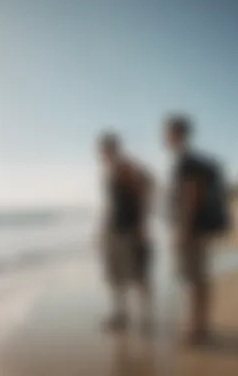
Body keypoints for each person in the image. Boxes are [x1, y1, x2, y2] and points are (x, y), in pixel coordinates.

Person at [164, 114, 231, 346]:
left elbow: (191, 196)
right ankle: (202, 324)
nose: (164, 137)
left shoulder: (186, 161)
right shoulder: (192, 160)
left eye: (166, 133)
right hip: (200, 229)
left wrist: (183, 230)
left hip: (192, 230)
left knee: (194, 279)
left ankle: (196, 329)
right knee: (200, 278)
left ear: (177, 134)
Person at [98, 132, 154, 335]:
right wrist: (103, 229)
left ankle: (145, 318)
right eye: (101, 151)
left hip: (129, 230)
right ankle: (121, 316)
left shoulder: (124, 167)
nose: (102, 154)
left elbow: (145, 192)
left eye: (104, 150)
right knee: (116, 276)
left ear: (112, 149)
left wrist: (141, 224)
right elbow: (113, 204)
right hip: (115, 230)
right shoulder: (112, 171)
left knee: (138, 275)